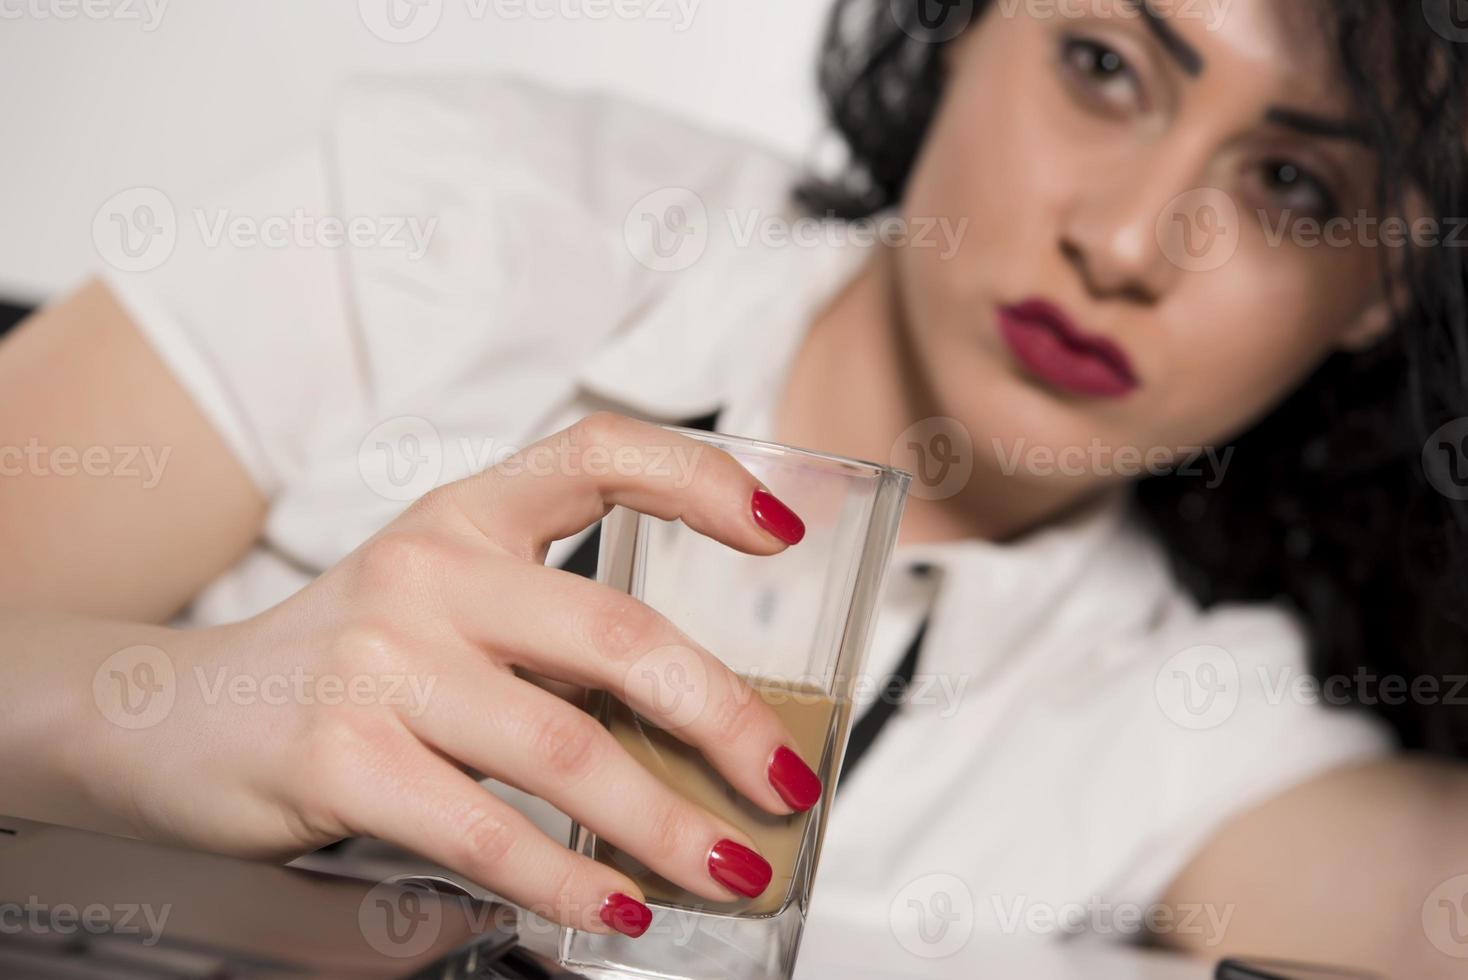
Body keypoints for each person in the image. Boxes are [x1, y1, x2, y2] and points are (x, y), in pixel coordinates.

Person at [2, 0, 1465, 974]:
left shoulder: (1193, 706)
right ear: (959, 26)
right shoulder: (474, 216)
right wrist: (160, 710)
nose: (1135, 240)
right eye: (1103, 65)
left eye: (1294, 187)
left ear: (1379, 294)